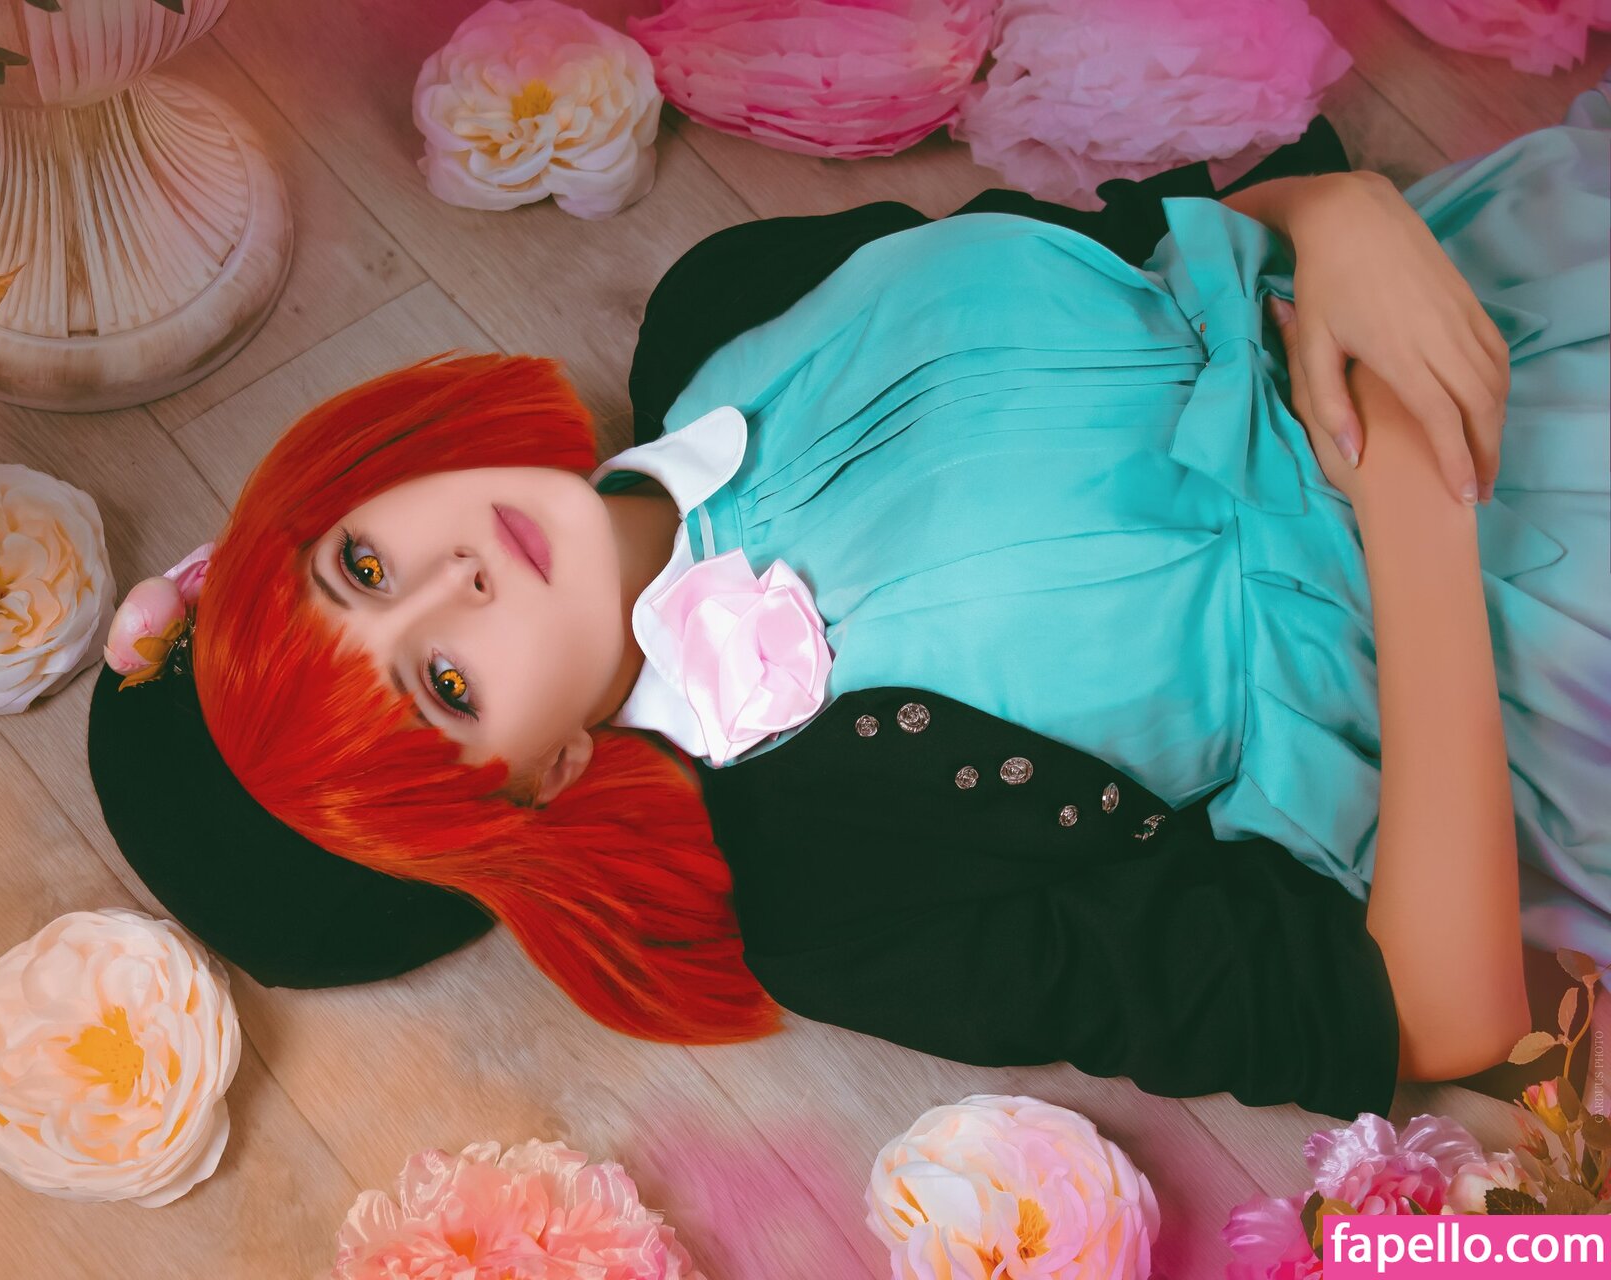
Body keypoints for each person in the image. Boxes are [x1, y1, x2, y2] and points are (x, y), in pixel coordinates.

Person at [88, 90, 1611, 1121]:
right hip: (1547, 632)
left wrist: (1335, 215)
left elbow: (1163, 250)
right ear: (539, 778)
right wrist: (1412, 490)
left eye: (362, 566)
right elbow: (1430, 1013)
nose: (455, 579)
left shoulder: (725, 300)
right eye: (445, 681)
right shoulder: (828, 902)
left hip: (1517, 273)